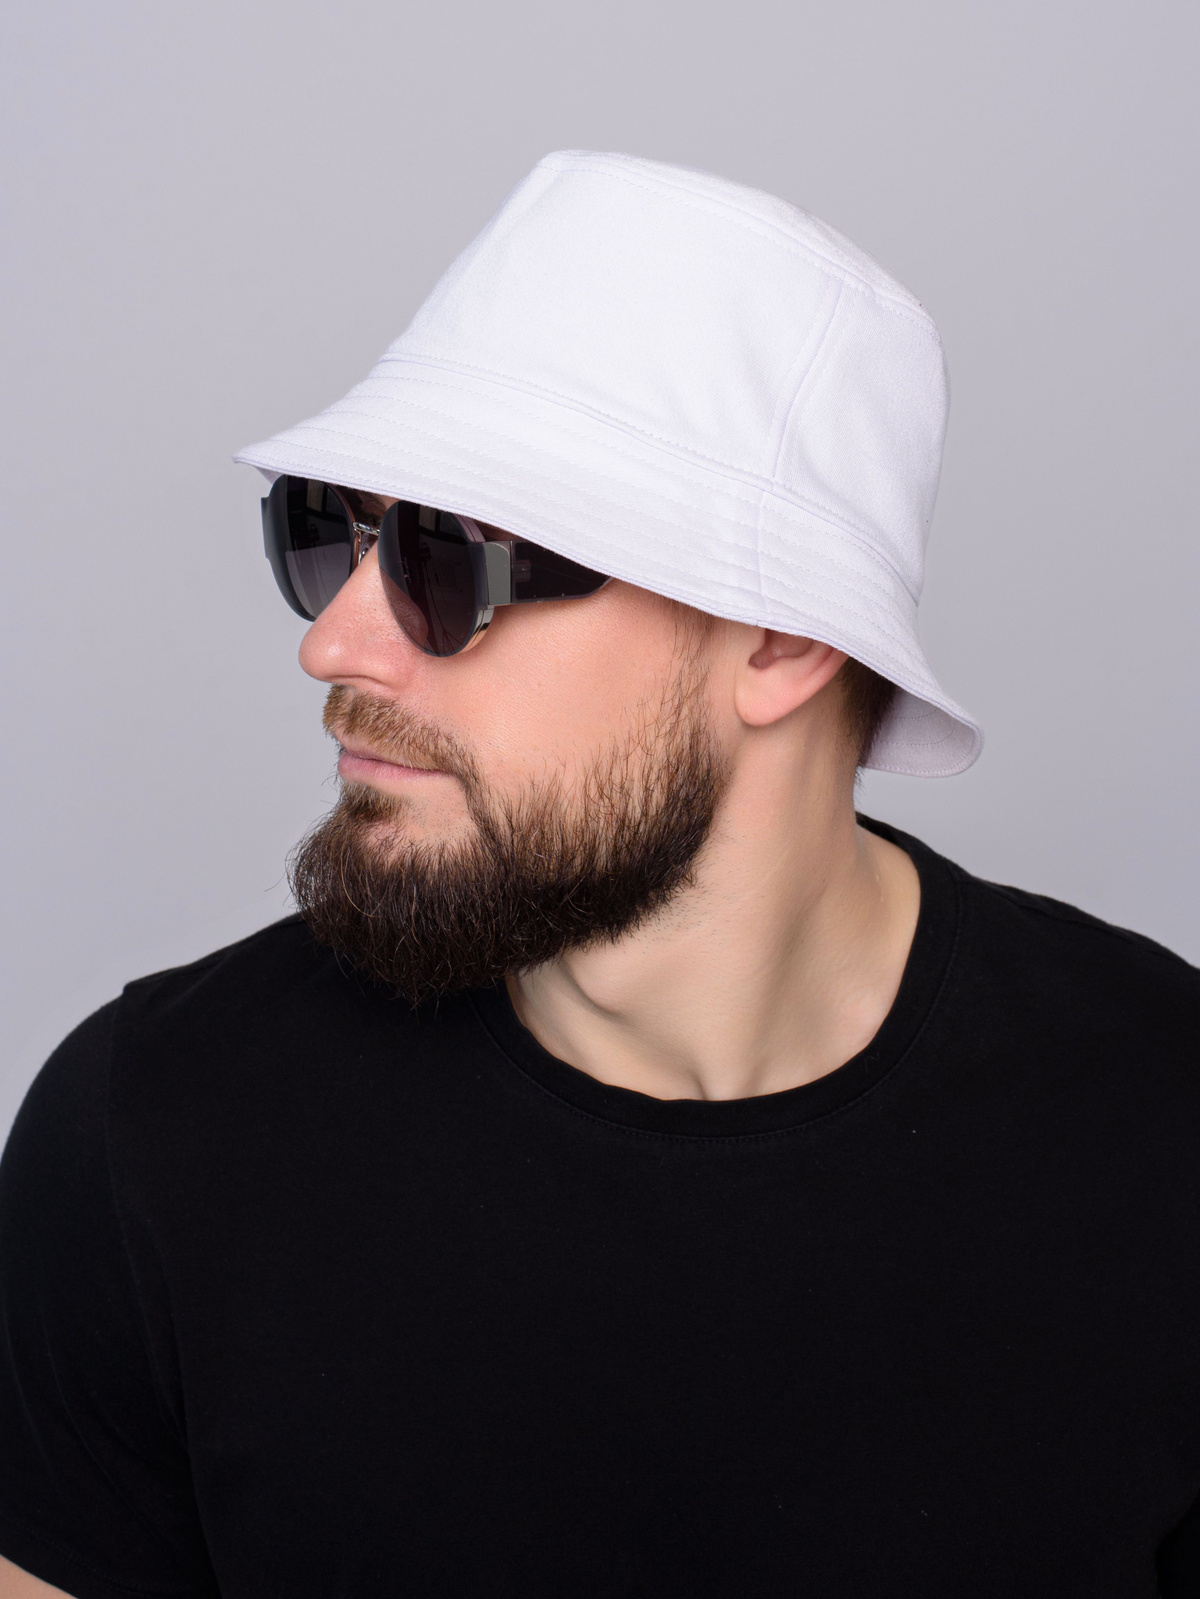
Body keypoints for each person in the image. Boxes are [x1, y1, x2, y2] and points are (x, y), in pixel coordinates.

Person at [1, 150, 1197, 1599]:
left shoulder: (1163, 1127)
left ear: (781, 639)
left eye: (451, 560)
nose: (333, 646)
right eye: (332, 535)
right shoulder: (152, 1137)